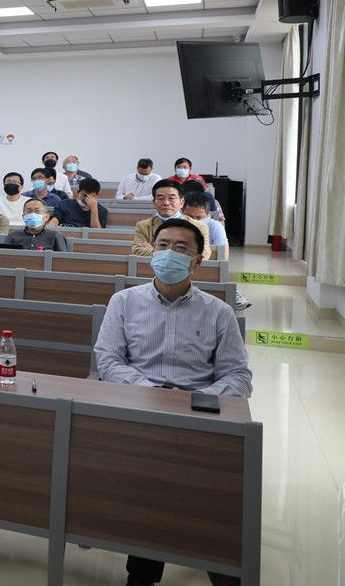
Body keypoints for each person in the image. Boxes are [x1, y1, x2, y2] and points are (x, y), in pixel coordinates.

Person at [94, 217, 251, 586]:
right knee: (150, 484)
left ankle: (221, 566)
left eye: (181, 248)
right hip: (139, 410)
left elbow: (238, 377)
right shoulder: (124, 302)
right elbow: (109, 361)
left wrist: (195, 400)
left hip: (200, 416)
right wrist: (153, 393)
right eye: (162, 246)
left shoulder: (218, 312)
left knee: (209, 494)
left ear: (197, 261)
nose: (169, 254)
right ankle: (143, 572)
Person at [132, 181, 210, 259]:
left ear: (182, 202)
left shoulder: (199, 227)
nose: (166, 203)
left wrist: (155, 250)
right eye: (161, 198)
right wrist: (182, 251)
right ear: (154, 202)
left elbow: (203, 254)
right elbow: (137, 250)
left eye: (171, 198)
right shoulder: (144, 226)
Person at [5, 199, 69, 251]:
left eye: (37, 211)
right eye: (29, 211)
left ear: (46, 217)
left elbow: (61, 259)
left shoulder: (55, 236)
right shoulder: (13, 236)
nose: (33, 214)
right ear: (23, 217)